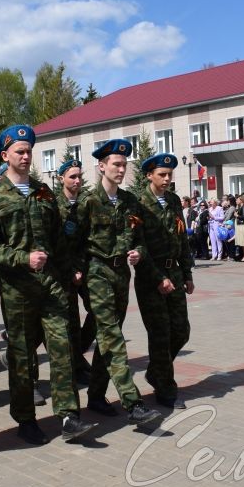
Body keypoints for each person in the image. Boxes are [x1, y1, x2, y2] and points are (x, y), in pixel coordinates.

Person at [0, 125, 96, 445]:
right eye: (19, 151)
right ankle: (26, 419)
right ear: (5, 156)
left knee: (62, 349)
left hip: (52, 288)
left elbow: (59, 240)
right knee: (22, 358)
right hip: (18, 292)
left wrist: (69, 270)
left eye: (29, 150)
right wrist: (23, 259)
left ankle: (70, 415)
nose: (26, 155)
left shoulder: (44, 192)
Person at [76, 139, 163, 428]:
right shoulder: (88, 201)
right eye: (116, 164)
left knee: (108, 337)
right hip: (97, 272)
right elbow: (72, 242)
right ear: (101, 167)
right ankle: (133, 402)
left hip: (121, 274)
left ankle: (97, 396)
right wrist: (77, 273)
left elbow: (139, 237)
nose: (121, 169)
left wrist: (138, 252)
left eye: (124, 165)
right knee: (112, 336)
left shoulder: (129, 202)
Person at [134, 153, 195, 410]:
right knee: (159, 334)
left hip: (175, 274)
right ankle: (165, 387)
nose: (167, 179)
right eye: (162, 174)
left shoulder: (172, 201)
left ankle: (156, 371)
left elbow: (181, 240)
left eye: (170, 175)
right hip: (151, 277)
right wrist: (158, 278)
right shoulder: (138, 202)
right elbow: (138, 244)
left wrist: (188, 273)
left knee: (181, 330)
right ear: (149, 175)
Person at [55, 158, 95, 385]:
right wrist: (71, 270)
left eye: (79, 176)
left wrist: (81, 268)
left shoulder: (85, 204)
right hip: (64, 273)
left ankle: (77, 356)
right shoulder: (54, 205)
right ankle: (74, 365)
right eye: (72, 176)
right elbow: (56, 244)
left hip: (84, 269)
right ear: (61, 178)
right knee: (68, 321)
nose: (77, 180)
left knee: (98, 313)